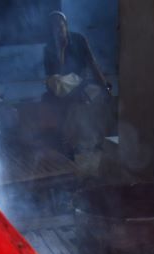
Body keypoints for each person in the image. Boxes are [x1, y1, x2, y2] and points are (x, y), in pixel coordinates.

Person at [42, 10, 111, 154]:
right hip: (61, 84)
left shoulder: (79, 40)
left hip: (78, 81)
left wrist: (104, 84)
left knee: (89, 98)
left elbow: (92, 63)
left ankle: (84, 142)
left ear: (66, 26)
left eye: (61, 27)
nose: (59, 31)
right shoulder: (48, 48)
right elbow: (51, 75)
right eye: (54, 28)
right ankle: (67, 142)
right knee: (56, 85)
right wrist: (59, 50)